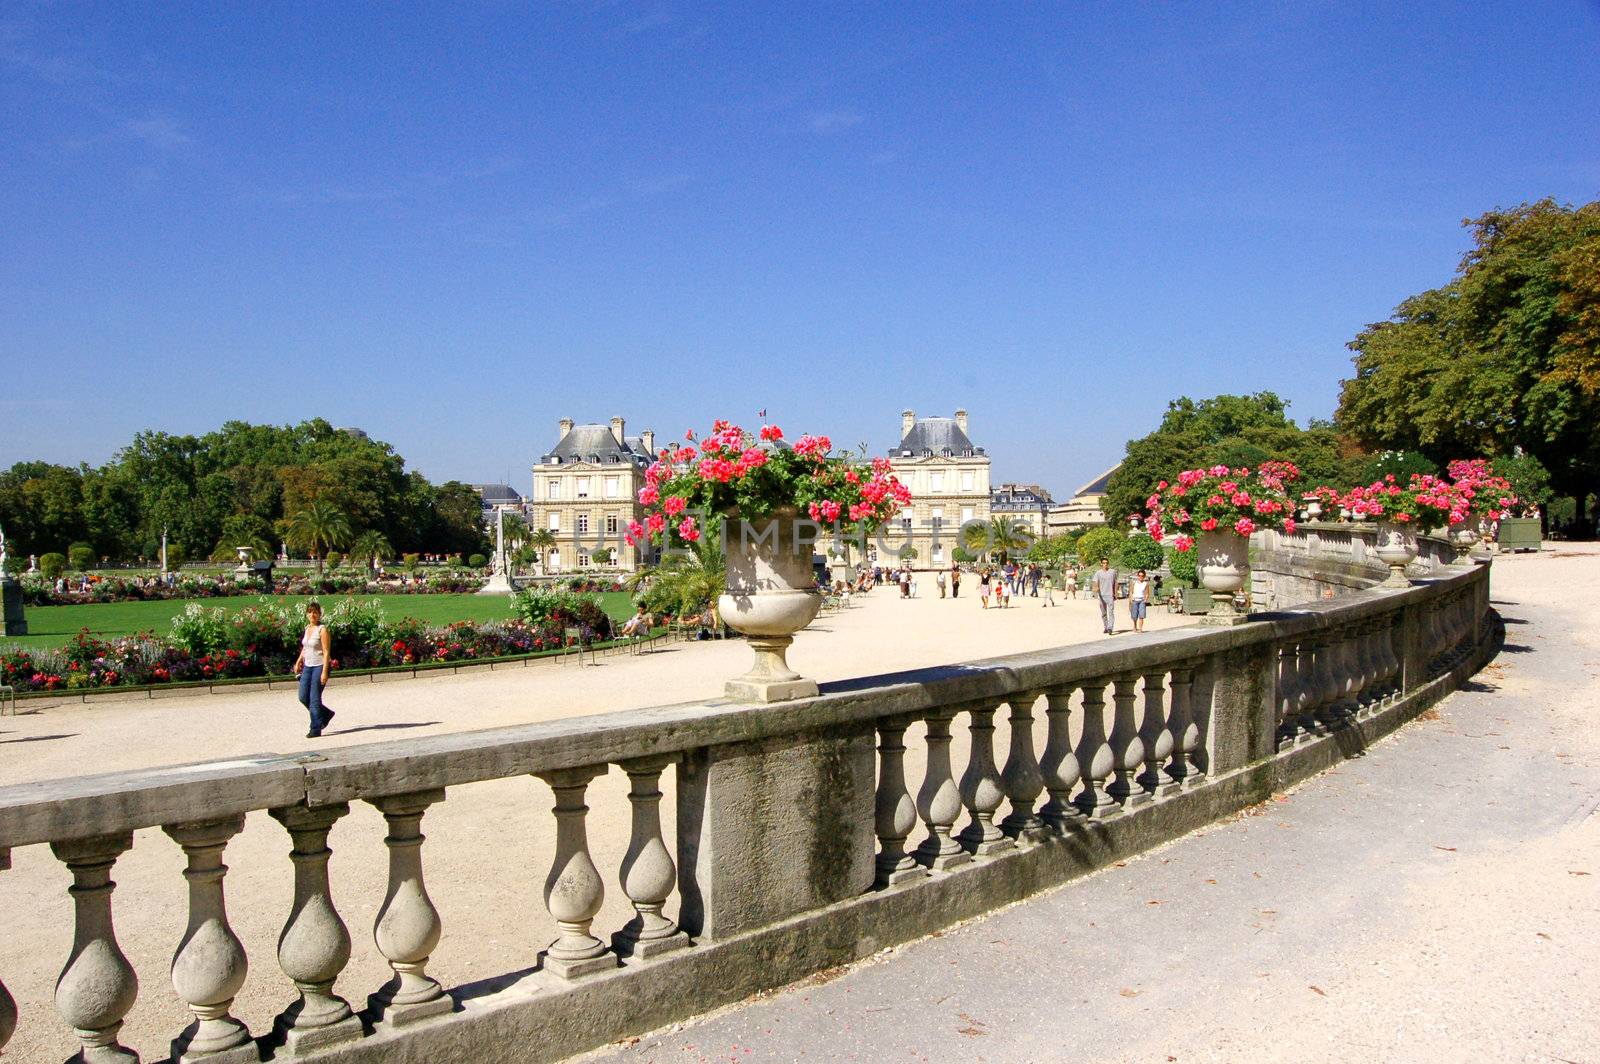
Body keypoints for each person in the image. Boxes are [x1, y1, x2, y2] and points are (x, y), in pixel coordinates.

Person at [292, 602, 336, 738]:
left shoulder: (322, 630)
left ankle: (315, 728)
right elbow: (305, 648)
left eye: (315, 612)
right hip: (308, 666)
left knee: (314, 698)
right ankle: (326, 714)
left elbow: (326, 651)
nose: (312, 615)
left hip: (319, 666)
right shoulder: (307, 628)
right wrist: (299, 661)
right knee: (303, 696)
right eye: (310, 612)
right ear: (307, 614)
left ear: (319, 614)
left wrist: (324, 671)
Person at [1091, 557, 1118, 635]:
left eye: (1106, 563)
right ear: (1101, 564)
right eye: (1103, 563)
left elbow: (1115, 583)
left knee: (1111, 612)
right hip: (1102, 595)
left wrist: (1115, 593)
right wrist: (1096, 587)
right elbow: (1095, 581)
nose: (1105, 564)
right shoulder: (1098, 573)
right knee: (1103, 613)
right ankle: (1106, 626)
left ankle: (1110, 627)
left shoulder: (1112, 572)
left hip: (1110, 595)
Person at [1129, 568, 1150, 633]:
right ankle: (1135, 626)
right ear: (1137, 576)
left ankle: (1140, 628)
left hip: (1141, 600)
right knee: (1134, 615)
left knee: (1141, 615)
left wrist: (1145, 599)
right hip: (1135, 600)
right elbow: (1131, 591)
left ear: (1144, 576)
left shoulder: (1145, 584)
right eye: (1139, 575)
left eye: (1142, 576)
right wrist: (1131, 599)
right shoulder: (1134, 583)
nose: (1141, 577)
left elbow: (1147, 593)